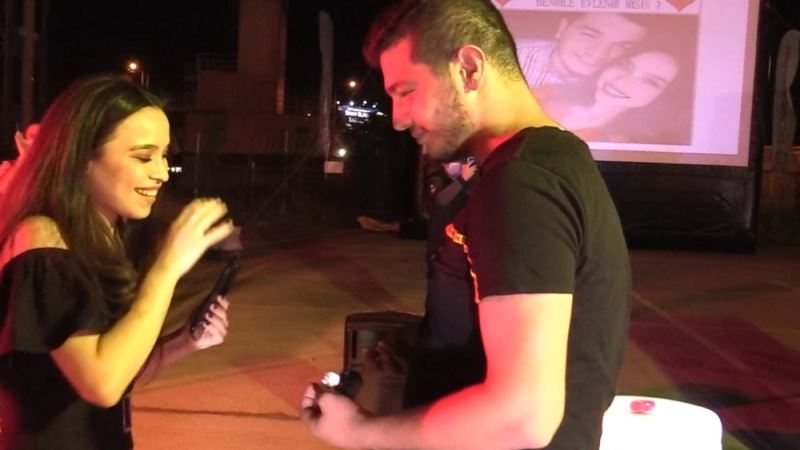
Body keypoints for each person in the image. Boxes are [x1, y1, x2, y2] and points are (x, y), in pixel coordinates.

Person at [300, 1, 631, 449]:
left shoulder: (523, 181)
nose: (397, 118)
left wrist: (358, 432)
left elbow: (524, 417)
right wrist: (425, 343)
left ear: (469, 69)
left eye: (406, 91)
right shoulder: (541, 164)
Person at [0, 75, 234, 449]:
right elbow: (102, 384)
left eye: (164, 155)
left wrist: (186, 342)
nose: (161, 173)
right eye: (143, 157)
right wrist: (166, 269)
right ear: (82, 157)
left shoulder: (108, 236)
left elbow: (120, 371)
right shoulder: (41, 239)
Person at [537, 49, 681, 143]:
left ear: (663, 97)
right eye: (624, 66)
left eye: (650, 81)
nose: (621, 80)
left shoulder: (620, 144)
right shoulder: (548, 93)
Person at [517, 12, 647, 88]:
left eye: (622, 46)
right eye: (590, 35)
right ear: (562, 28)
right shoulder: (513, 57)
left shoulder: (620, 86)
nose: (600, 53)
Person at [0, 123, 40, 194]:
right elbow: (2, 189)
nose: (37, 139)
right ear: (23, 141)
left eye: (41, 136)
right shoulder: (9, 165)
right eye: (33, 136)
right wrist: (23, 158)